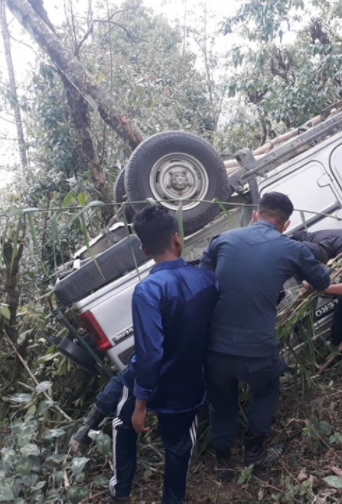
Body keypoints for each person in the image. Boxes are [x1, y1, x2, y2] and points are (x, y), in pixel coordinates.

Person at [199, 192, 330, 476]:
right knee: (267, 389)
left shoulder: (222, 240)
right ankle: (254, 453)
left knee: (222, 400)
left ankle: (222, 462)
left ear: (255, 215)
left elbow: (203, 284)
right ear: (285, 223)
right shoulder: (291, 248)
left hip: (216, 348)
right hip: (257, 351)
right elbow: (322, 281)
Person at [109, 205, 219, 504]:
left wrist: (141, 402)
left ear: (144, 249)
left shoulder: (148, 290)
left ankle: (120, 492)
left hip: (146, 382)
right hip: (187, 384)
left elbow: (150, 352)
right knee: (179, 446)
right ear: (177, 239)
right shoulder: (209, 282)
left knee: (122, 424)